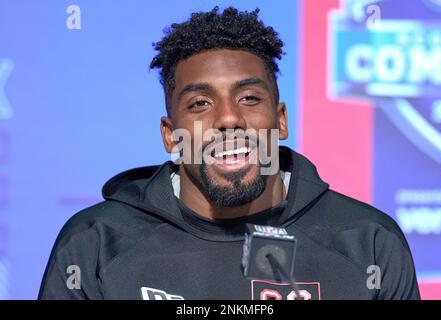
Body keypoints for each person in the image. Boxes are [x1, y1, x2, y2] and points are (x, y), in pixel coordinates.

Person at [38, 6, 420, 300]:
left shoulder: (367, 241)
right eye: (201, 103)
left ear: (281, 119)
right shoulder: (97, 242)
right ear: (170, 135)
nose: (228, 118)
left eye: (249, 98)